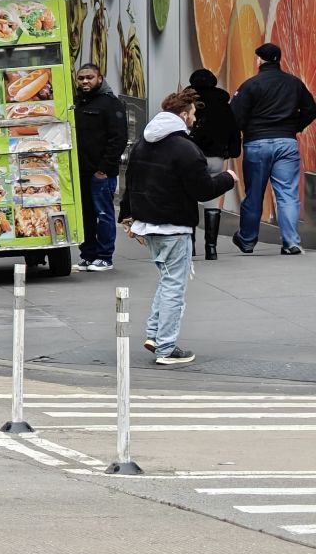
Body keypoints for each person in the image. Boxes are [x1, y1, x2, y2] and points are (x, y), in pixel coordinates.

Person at [121, 88, 235, 367]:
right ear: (184, 114)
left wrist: (128, 219)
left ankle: (155, 336)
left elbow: (130, 181)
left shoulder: (143, 143)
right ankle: (166, 347)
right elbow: (203, 189)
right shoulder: (186, 148)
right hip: (174, 226)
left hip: (149, 224)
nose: (195, 119)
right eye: (193, 114)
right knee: (174, 286)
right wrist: (228, 178)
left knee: (167, 280)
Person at [229, 41, 316, 254]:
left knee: (254, 193)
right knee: (287, 193)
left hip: (256, 144)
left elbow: (235, 116)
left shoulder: (250, 85)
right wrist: (292, 127)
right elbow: (311, 109)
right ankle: (291, 242)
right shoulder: (294, 83)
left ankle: (248, 240)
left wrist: (246, 131)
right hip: (286, 143)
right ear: (279, 60)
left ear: (259, 60)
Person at [72, 64, 129, 270]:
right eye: (81, 78)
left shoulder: (111, 104)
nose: (85, 81)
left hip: (101, 174)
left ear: (99, 78)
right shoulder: (77, 103)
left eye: (89, 77)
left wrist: (103, 169)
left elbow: (118, 139)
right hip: (81, 172)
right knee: (85, 215)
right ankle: (88, 255)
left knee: (103, 214)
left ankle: (105, 257)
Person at [187, 67, 240, 260]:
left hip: (191, 157)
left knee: (189, 198)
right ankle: (211, 248)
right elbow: (233, 130)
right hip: (216, 157)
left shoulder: (188, 103)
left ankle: (189, 247)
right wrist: (232, 151)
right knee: (212, 200)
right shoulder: (223, 105)